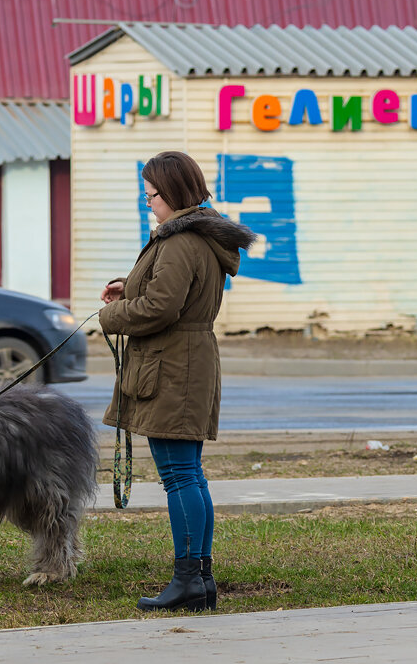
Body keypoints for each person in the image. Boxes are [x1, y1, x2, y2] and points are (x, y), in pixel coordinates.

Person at [99, 151, 256, 612]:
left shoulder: (179, 242)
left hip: (173, 364)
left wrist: (112, 315)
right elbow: (172, 292)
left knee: (179, 476)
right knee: (190, 474)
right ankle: (199, 579)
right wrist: (128, 286)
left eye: (151, 194)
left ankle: (189, 580)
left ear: (173, 194)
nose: (147, 202)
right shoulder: (199, 236)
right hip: (188, 360)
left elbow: (161, 308)